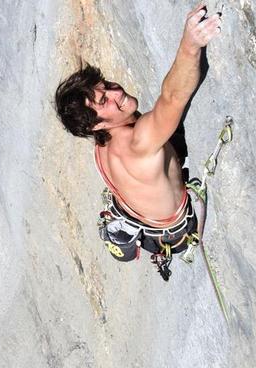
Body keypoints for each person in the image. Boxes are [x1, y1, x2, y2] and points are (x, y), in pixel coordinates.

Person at [53, 4, 224, 275]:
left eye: (107, 85)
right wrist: (190, 44)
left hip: (153, 229)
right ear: (97, 123)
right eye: (104, 100)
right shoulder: (138, 141)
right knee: (170, 123)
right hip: (179, 228)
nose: (116, 92)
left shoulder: (101, 141)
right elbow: (172, 98)